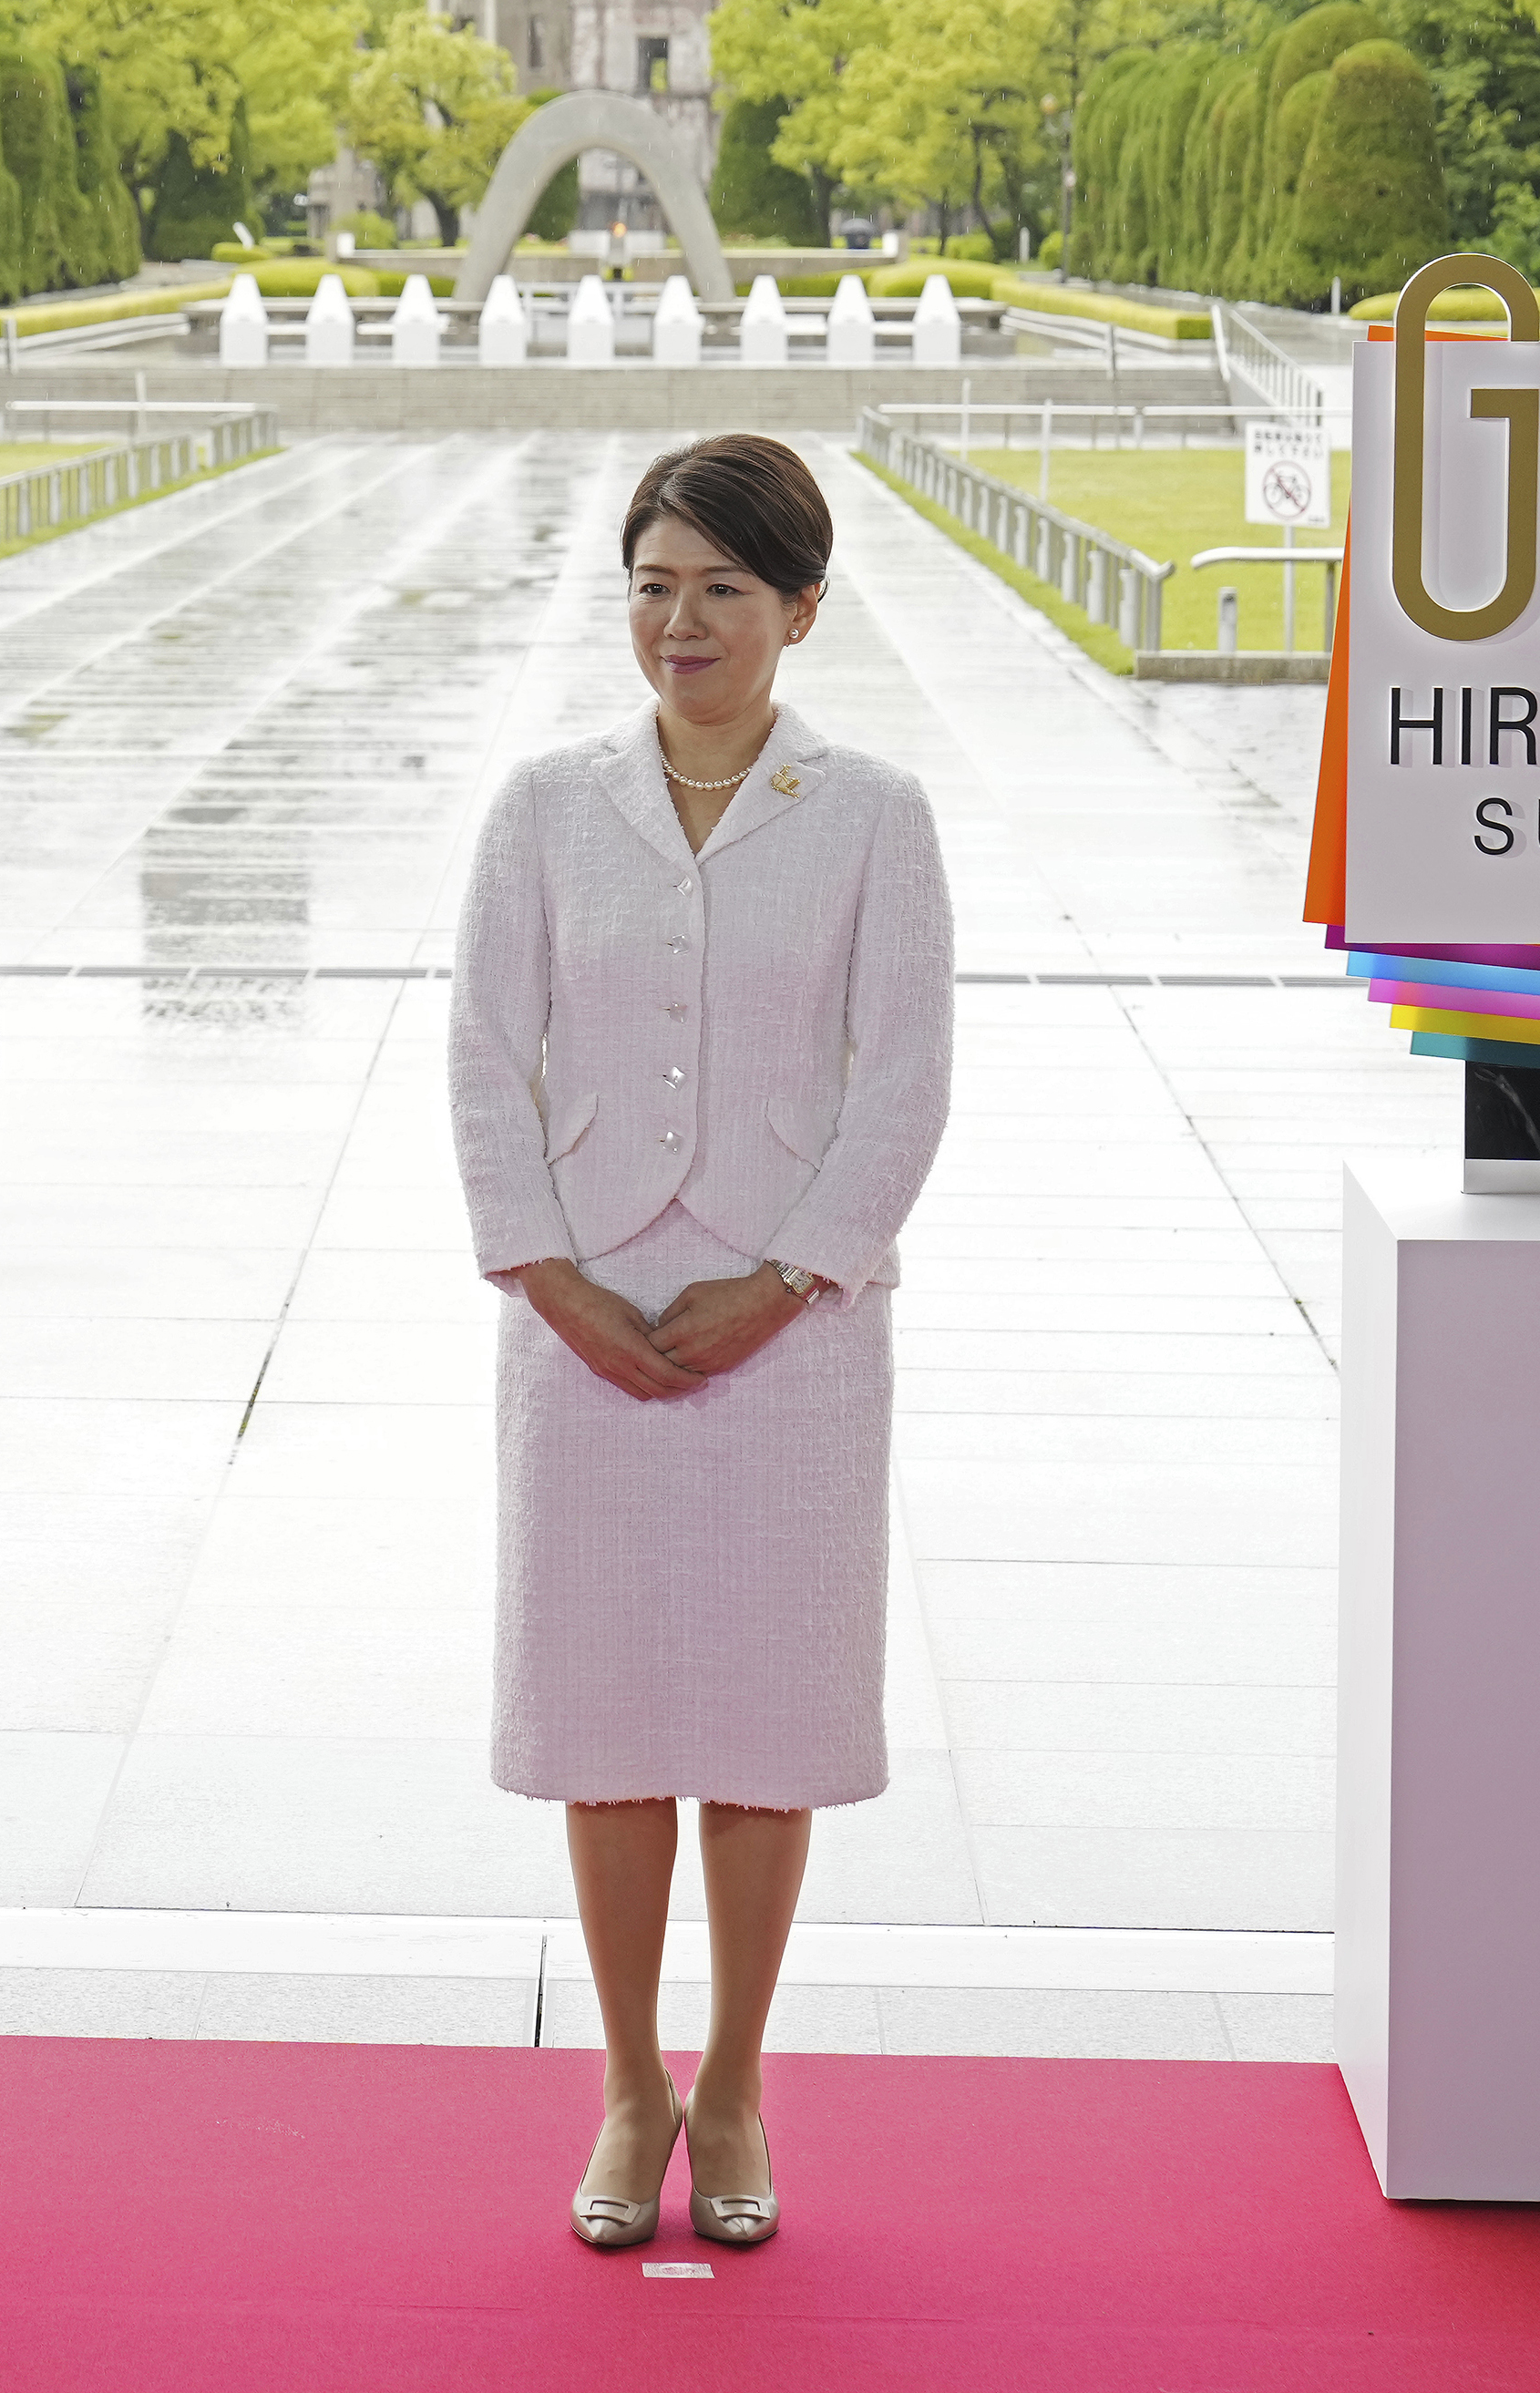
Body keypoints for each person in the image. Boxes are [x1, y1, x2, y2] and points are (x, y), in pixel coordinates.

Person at [444, 433, 952, 2255]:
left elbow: (900, 1078)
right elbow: (486, 1054)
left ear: (800, 607)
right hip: (581, 1324)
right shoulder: (542, 804)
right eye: (653, 584)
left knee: (756, 1716)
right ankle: (625, 2079)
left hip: (791, 1334)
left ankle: (730, 2076)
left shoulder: (873, 811)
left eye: (723, 587)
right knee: (604, 1718)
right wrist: (551, 1278)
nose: (682, 620)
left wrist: (788, 1271)